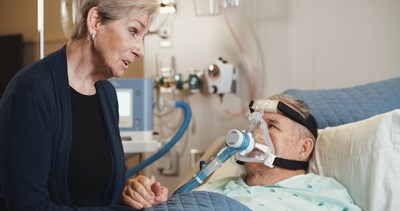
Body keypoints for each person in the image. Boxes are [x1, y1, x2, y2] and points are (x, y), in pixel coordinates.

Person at [0, 0, 161, 210]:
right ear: (95, 21)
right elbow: (28, 206)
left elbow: (95, 192)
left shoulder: (107, 94)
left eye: (143, 37)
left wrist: (131, 192)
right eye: (133, 31)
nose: (140, 50)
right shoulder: (30, 92)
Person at [121, 95, 362, 210]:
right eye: (256, 123)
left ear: (303, 149)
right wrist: (153, 201)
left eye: (272, 126)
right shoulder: (216, 186)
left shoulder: (325, 194)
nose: (257, 132)